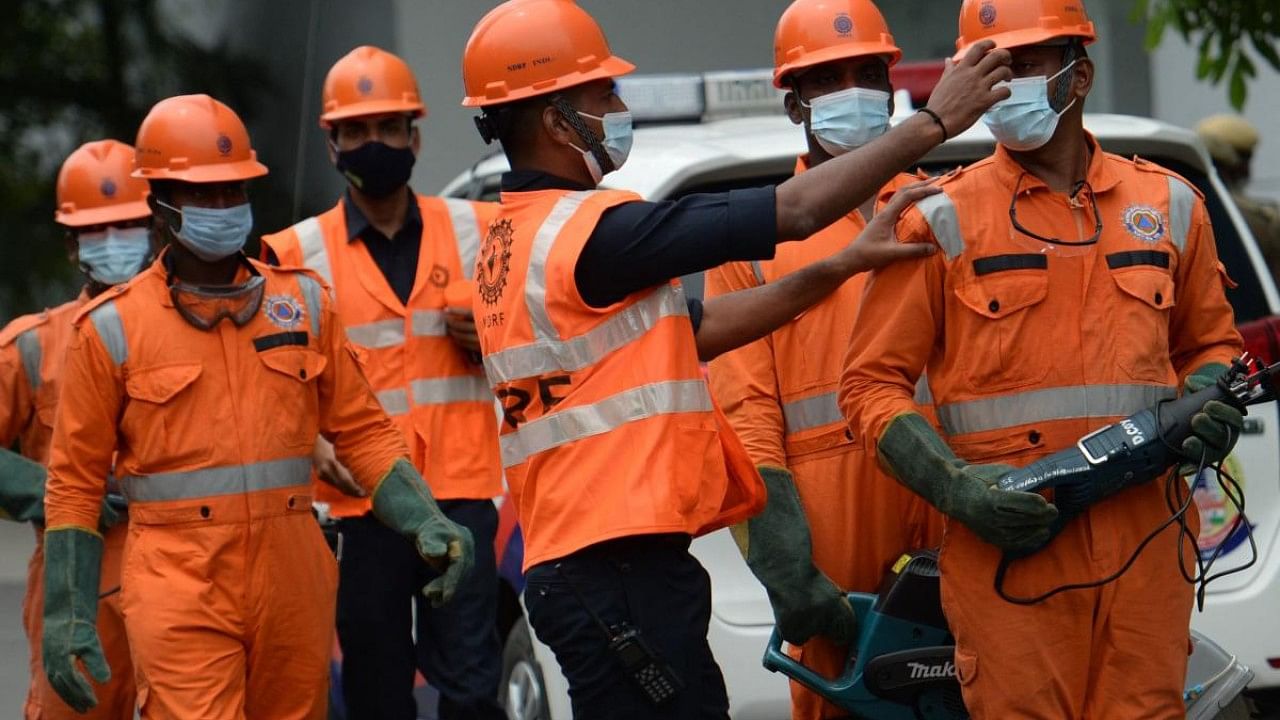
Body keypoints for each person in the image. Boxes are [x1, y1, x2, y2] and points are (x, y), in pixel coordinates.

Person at [459, 0, 1011, 716]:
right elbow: (793, 212)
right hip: (615, 567)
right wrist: (933, 125)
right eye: (604, 95)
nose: (620, 106)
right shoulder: (595, 234)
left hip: (600, 564)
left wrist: (840, 265)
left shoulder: (515, 244)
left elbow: (699, 325)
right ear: (557, 121)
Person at [840, 1, 1243, 717]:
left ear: (1078, 75)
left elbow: (1211, 344)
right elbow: (870, 386)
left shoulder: (1170, 203)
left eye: (1021, 66)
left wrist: (1213, 395)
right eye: (987, 68)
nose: (1003, 86)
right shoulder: (937, 216)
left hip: (1148, 549)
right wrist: (957, 489)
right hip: (1010, 554)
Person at [42, 94, 474, 720]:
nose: (223, 208)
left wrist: (424, 519)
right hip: (178, 579)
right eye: (203, 195)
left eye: (233, 191)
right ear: (161, 204)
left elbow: (363, 433)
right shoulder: (110, 329)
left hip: (293, 571)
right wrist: (70, 612)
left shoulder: (303, 302)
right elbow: (76, 485)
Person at [704, 2, 943, 717]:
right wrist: (786, 563)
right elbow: (747, 412)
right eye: (827, 77)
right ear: (793, 102)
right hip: (828, 529)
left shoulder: (944, 205)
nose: (853, 90)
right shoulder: (754, 241)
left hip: (951, 499)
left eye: (868, 72)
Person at [261, 45, 505, 720]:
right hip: (358, 509)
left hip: (461, 496)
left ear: (415, 137)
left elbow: (542, 340)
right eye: (357, 131)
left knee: (473, 689)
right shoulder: (290, 256)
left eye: (389, 128)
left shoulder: (482, 233)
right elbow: (264, 382)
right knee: (375, 688)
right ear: (333, 144)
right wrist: (311, 443)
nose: (375, 143)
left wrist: (492, 338)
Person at [0, 139, 153, 719]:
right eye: (98, 230)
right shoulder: (34, 347)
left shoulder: (197, 329)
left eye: (128, 226)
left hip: (186, 571)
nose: (115, 244)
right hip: (76, 577)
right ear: (72, 245)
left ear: (155, 227)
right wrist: (56, 492)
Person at [1196, 113, 1280, 283]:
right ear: (1232, 161)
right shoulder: (1263, 218)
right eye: (1246, 158)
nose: (1249, 170)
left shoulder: (1171, 209)